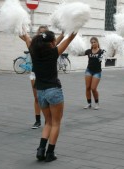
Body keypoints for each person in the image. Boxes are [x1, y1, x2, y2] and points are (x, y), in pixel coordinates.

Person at [20, 30, 77, 162]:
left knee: (48, 122)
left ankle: (41, 150)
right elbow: (70, 39)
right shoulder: (53, 52)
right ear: (52, 43)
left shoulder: (33, 51)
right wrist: (75, 26)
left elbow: (26, 36)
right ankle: (50, 153)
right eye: (54, 41)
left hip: (40, 92)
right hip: (53, 90)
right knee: (56, 123)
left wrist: (20, 26)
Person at [20, 26, 64, 129]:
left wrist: (62, 34)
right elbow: (24, 37)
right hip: (34, 74)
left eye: (44, 33)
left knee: (43, 96)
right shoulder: (34, 44)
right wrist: (18, 27)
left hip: (45, 76)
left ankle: (47, 121)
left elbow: (57, 41)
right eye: (40, 32)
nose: (42, 35)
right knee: (37, 98)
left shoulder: (50, 45)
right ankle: (38, 120)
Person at [83, 37, 105, 110]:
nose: (93, 43)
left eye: (94, 42)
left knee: (93, 88)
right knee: (87, 88)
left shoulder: (101, 51)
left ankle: (97, 103)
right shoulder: (88, 51)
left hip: (97, 72)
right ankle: (89, 103)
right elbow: (80, 53)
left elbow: (110, 55)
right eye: (92, 42)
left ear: (97, 42)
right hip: (88, 70)